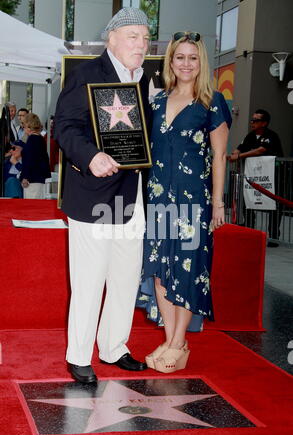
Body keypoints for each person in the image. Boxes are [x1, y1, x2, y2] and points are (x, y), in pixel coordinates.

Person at [54, 7, 151, 384]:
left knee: (126, 278)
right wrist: (90, 156)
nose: (140, 44)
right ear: (111, 38)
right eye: (133, 36)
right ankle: (79, 355)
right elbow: (64, 126)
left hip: (133, 195)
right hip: (93, 192)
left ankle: (114, 346)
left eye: (144, 38)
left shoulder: (145, 80)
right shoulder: (87, 75)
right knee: (89, 279)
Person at [141, 31, 231, 373]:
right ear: (171, 61)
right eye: (180, 57)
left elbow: (220, 156)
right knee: (161, 272)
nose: (186, 64)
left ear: (201, 63)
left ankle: (180, 343)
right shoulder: (157, 102)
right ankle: (169, 338)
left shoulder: (212, 102)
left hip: (194, 202)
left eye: (193, 58)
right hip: (159, 200)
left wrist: (218, 205)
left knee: (188, 270)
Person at [229, 109, 283, 246]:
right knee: (248, 201)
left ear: (264, 123)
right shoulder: (250, 136)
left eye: (256, 120)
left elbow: (261, 150)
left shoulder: (271, 135)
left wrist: (239, 156)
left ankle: (274, 236)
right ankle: (249, 230)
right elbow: (239, 147)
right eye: (252, 119)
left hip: (271, 178)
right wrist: (235, 153)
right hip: (253, 179)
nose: (252, 122)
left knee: (274, 206)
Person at [20, 113, 51, 199]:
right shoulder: (40, 139)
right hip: (39, 178)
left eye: (24, 125)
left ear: (29, 126)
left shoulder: (32, 139)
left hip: (32, 180)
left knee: (31, 207)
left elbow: (29, 161)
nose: (23, 127)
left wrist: (25, 177)